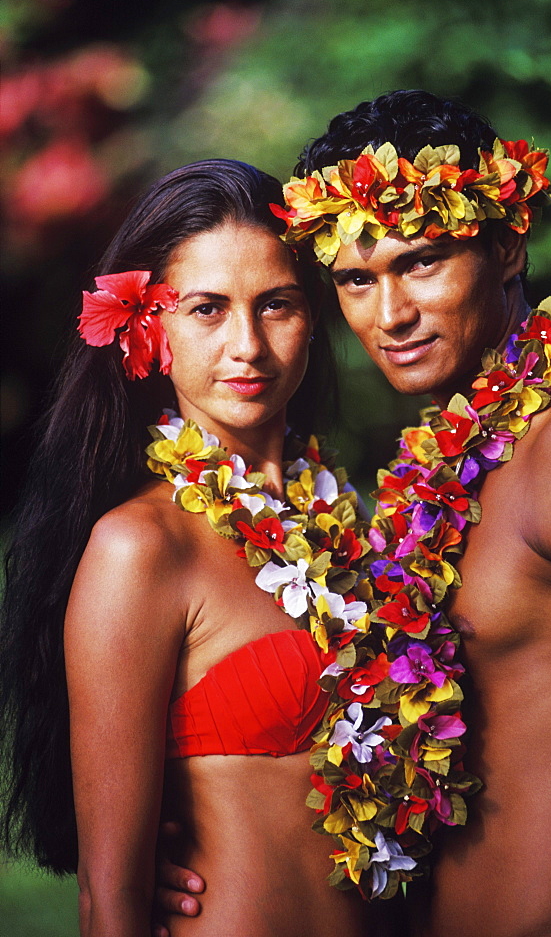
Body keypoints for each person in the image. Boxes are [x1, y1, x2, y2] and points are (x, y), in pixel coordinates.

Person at [158, 92, 551, 937]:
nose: (388, 316)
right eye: (356, 279)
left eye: (420, 262)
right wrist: (195, 845)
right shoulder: (453, 462)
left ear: (505, 247)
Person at [0, 159, 388, 936]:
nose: (247, 345)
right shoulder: (139, 549)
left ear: (311, 316)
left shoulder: (355, 531)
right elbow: (107, 901)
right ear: (149, 329)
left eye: (274, 305)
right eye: (207, 309)